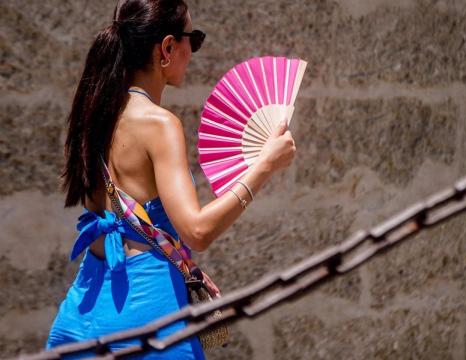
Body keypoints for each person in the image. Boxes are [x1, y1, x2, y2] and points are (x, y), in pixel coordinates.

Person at [44, 0, 296, 358]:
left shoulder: (95, 110)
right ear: (166, 47)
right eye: (193, 39)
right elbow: (198, 231)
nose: (192, 50)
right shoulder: (159, 124)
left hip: (82, 310)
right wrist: (265, 166)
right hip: (147, 312)